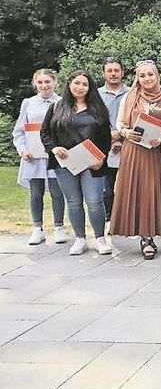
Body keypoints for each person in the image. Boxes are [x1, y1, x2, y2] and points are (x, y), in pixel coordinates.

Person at [110, 60, 161, 260]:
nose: (146, 79)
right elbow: (120, 122)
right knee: (136, 192)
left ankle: (151, 234)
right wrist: (126, 132)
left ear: (157, 76)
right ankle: (145, 238)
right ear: (137, 78)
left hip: (156, 153)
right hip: (133, 151)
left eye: (150, 74)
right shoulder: (129, 97)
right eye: (142, 75)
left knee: (152, 192)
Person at [40, 70, 112, 256]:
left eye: (84, 84)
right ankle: (80, 239)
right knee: (73, 202)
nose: (80, 87)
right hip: (65, 163)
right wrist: (53, 148)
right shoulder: (57, 107)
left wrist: (101, 157)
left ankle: (100, 238)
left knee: (94, 201)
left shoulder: (98, 108)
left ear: (90, 88)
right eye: (77, 83)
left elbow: (106, 137)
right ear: (69, 84)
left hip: (91, 163)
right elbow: (45, 132)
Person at [12, 69, 66, 245]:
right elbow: (19, 131)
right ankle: (37, 228)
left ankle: (59, 227)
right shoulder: (28, 103)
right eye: (40, 82)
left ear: (54, 82)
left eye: (47, 81)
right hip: (33, 156)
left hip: (54, 155)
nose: (44, 85)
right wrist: (22, 150)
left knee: (57, 192)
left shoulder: (62, 102)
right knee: (36, 193)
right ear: (35, 83)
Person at [98, 58, 129, 223]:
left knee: (128, 188)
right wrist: (110, 137)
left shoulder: (132, 93)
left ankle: (126, 221)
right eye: (109, 71)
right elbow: (93, 121)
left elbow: (136, 119)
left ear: (122, 72)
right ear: (103, 74)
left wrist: (120, 135)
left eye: (116, 70)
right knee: (106, 189)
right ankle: (108, 220)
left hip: (129, 146)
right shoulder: (95, 95)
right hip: (105, 148)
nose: (113, 74)